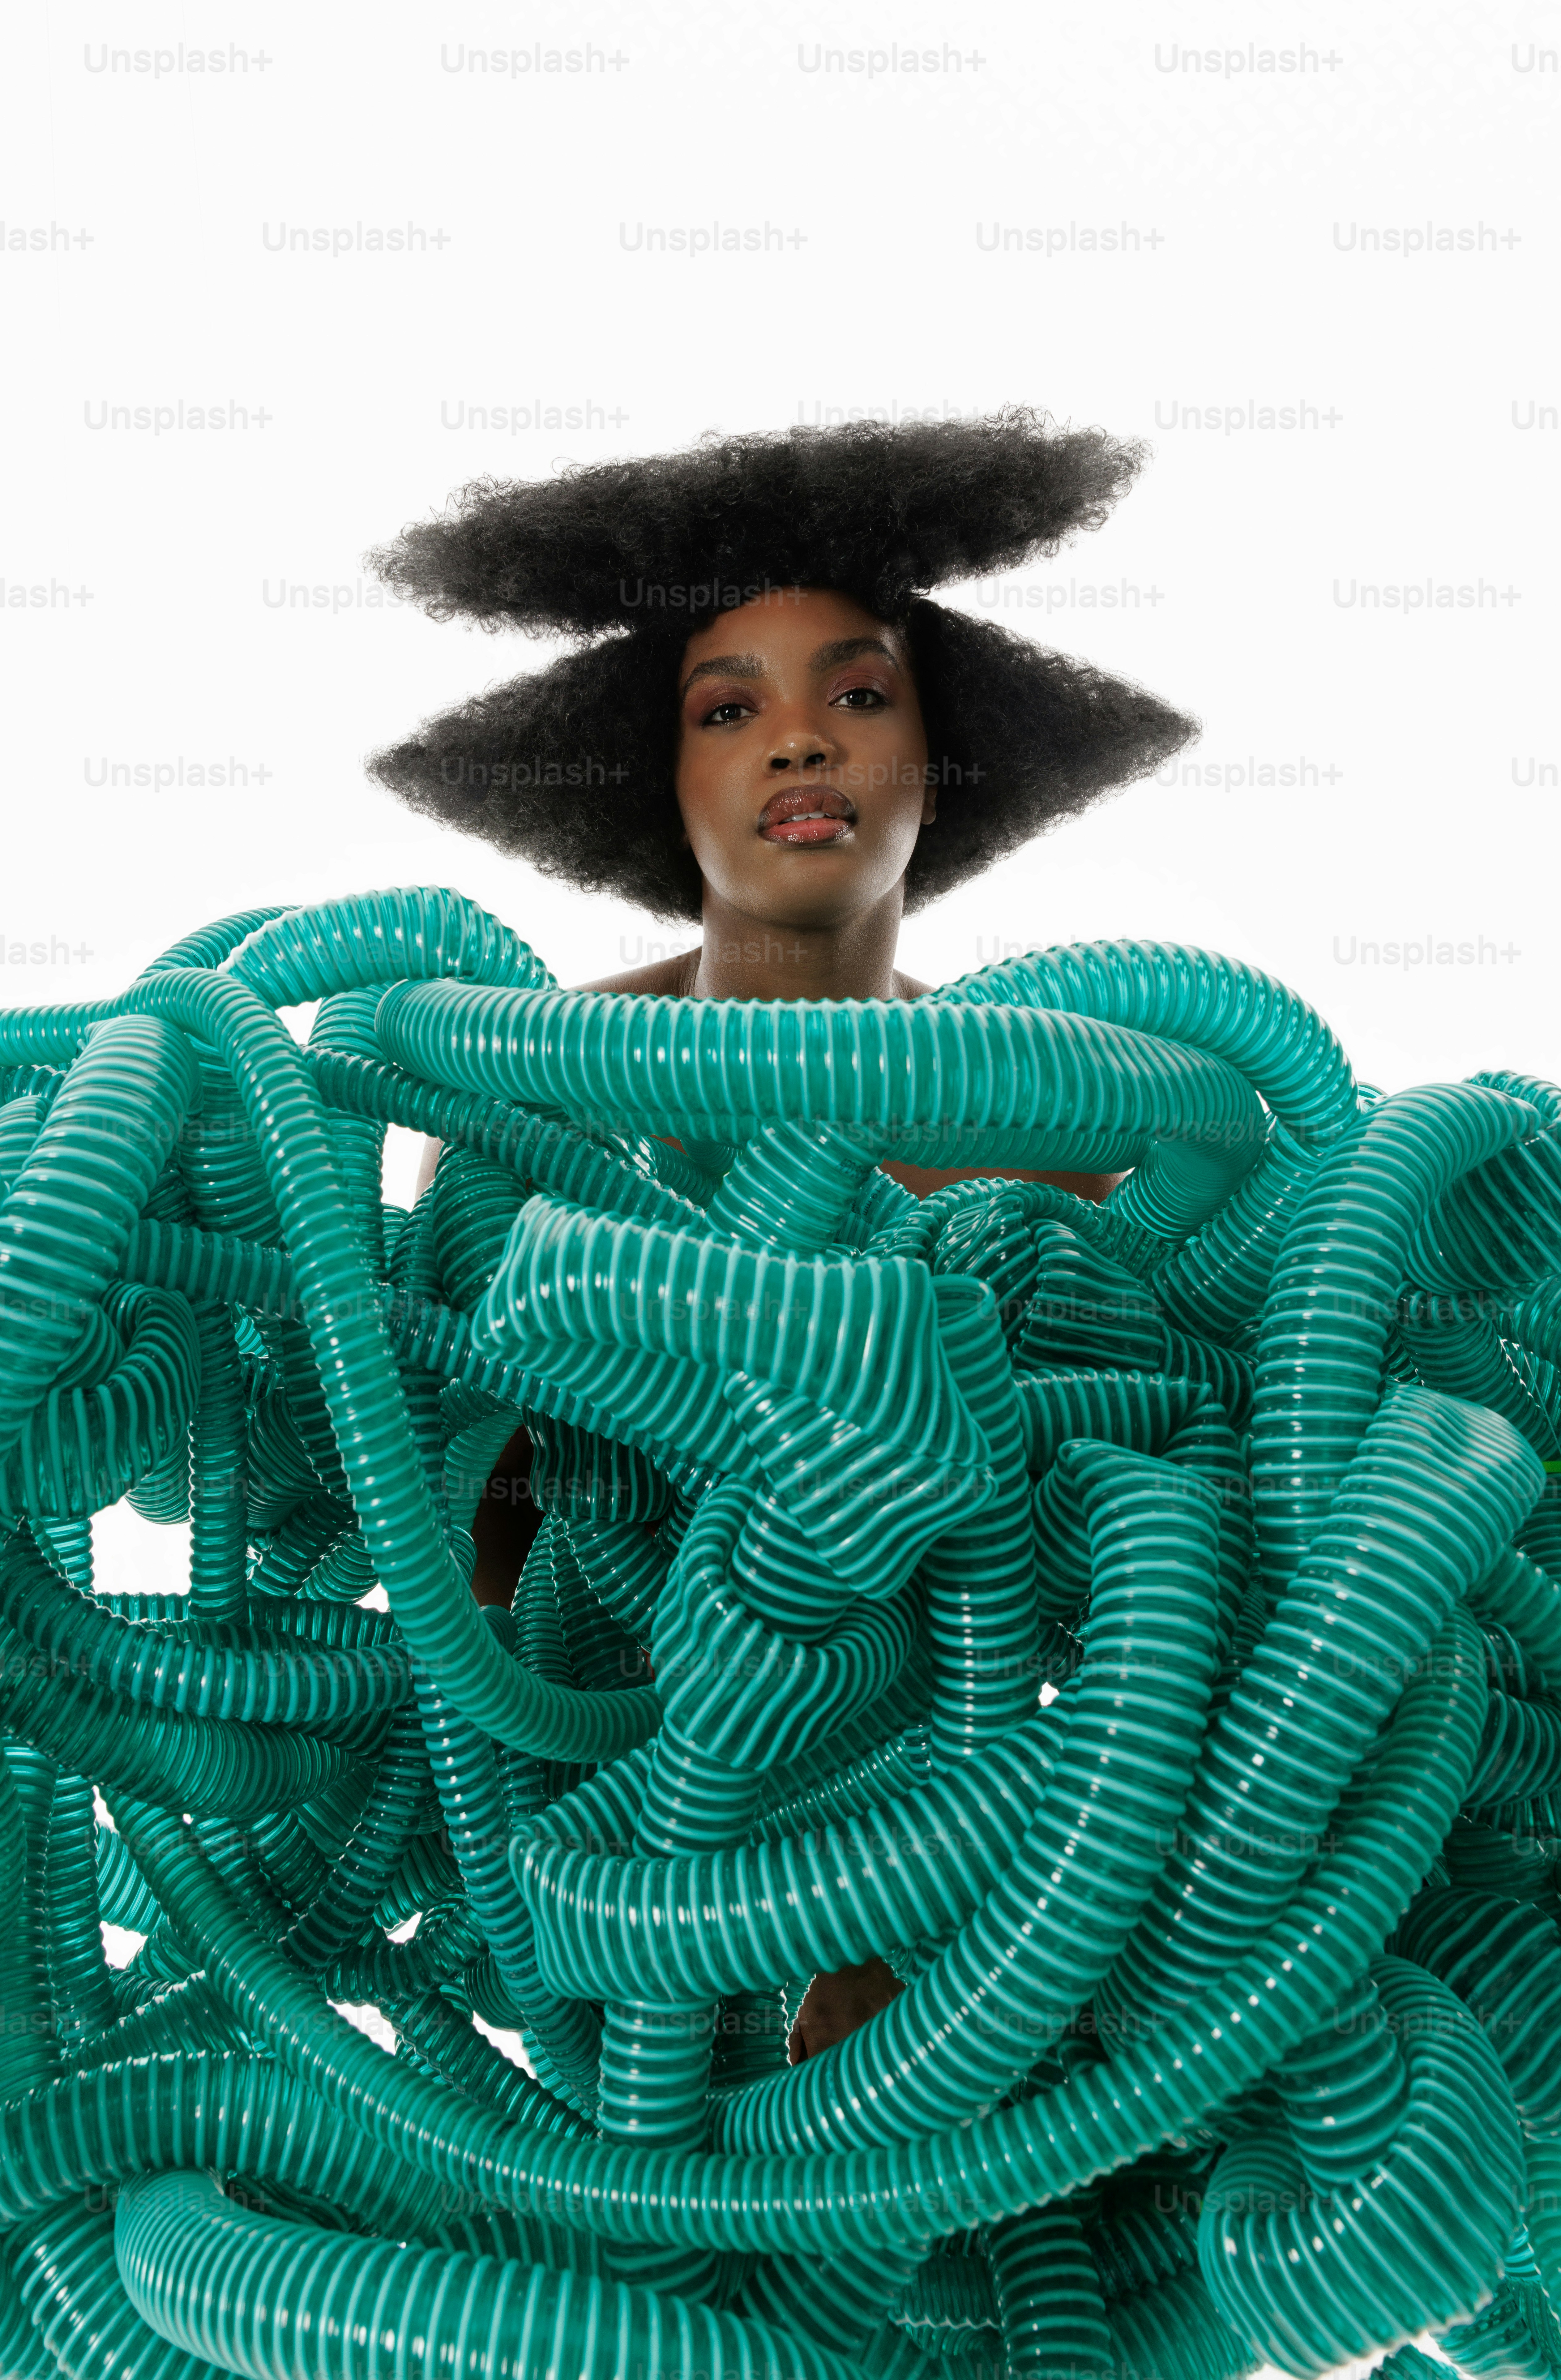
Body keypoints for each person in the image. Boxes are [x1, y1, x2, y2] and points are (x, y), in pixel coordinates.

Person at [366, 410, 1195, 2056]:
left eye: (858, 697)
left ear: (938, 758)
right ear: (654, 775)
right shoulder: (523, 1108)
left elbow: (1178, 1526)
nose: (798, 747)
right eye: (728, 709)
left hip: (971, 1935)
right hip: (600, 1917)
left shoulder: (1080, 1117)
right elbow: (438, 1547)